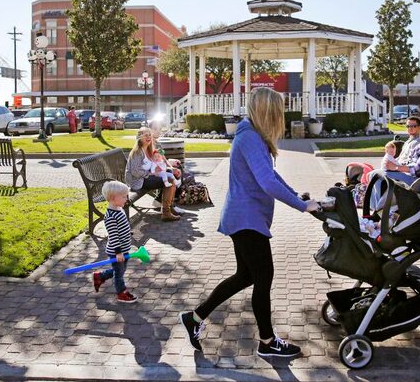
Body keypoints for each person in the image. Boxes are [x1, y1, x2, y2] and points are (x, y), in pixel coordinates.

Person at [178, 87, 320, 358]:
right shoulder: (250, 137)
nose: (281, 118)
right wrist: (302, 207)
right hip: (246, 219)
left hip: (243, 217)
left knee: (245, 276)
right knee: (263, 278)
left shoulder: (250, 135)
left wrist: (296, 196)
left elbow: (271, 176)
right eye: (278, 112)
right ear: (269, 112)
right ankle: (267, 342)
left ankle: (194, 318)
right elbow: (267, 182)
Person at [91, 181, 138, 303]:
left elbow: (121, 227)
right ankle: (121, 293)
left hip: (124, 249)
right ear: (113, 198)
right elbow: (113, 235)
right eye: (123, 197)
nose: (126, 199)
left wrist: (127, 233)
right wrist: (118, 253)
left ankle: (100, 276)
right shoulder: (111, 216)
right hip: (117, 251)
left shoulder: (118, 208)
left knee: (120, 270)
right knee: (119, 274)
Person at [125, 127, 180, 221]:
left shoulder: (149, 150)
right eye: (145, 135)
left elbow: (156, 165)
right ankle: (166, 212)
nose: (148, 137)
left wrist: (165, 169)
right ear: (139, 138)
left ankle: (169, 207)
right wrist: (150, 174)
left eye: (149, 135)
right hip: (138, 181)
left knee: (170, 172)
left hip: (146, 177)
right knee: (169, 180)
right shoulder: (137, 152)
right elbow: (135, 171)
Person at [380, 122, 420, 188]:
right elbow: (409, 161)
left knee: (380, 175)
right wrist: (393, 163)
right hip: (412, 177)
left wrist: (395, 167)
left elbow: (417, 169)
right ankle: (381, 198)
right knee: (376, 174)